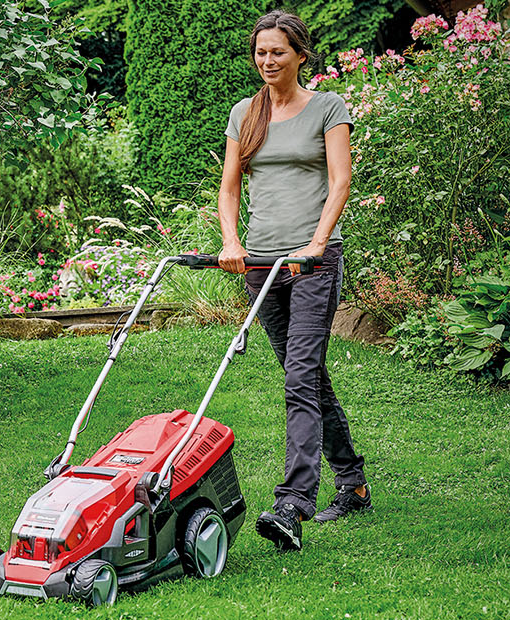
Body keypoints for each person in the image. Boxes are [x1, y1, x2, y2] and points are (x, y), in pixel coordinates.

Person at [217, 10, 371, 552]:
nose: (267, 61)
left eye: (278, 52)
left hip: (312, 264)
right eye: (261, 52)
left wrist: (318, 242)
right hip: (260, 265)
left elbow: (340, 180)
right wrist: (232, 242)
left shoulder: (327, 107)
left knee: (301, 376)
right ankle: (351, 482)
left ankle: (294, 504)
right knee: (305, 375)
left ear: (300, 54)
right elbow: (230, 188)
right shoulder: (246, 113)